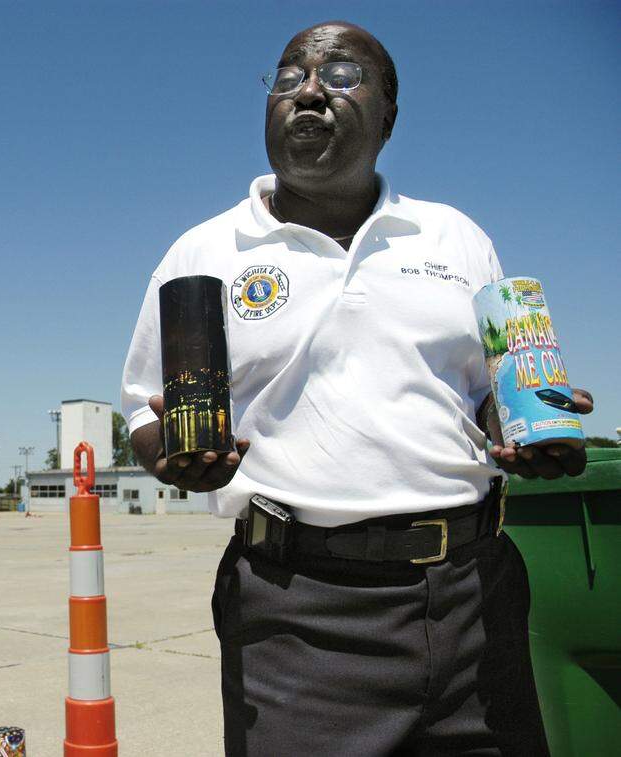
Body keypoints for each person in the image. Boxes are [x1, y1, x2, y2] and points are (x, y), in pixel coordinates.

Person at [120, 21, 594, 756]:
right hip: (297, 616)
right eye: (288, 78)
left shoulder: (453, 237)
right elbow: (143, 411)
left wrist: (532, 428)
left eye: (340, 77)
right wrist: (171, 459)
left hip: (476, 597)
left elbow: (485, 394)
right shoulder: (204, 250)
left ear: (388, 115)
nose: (308, 92)